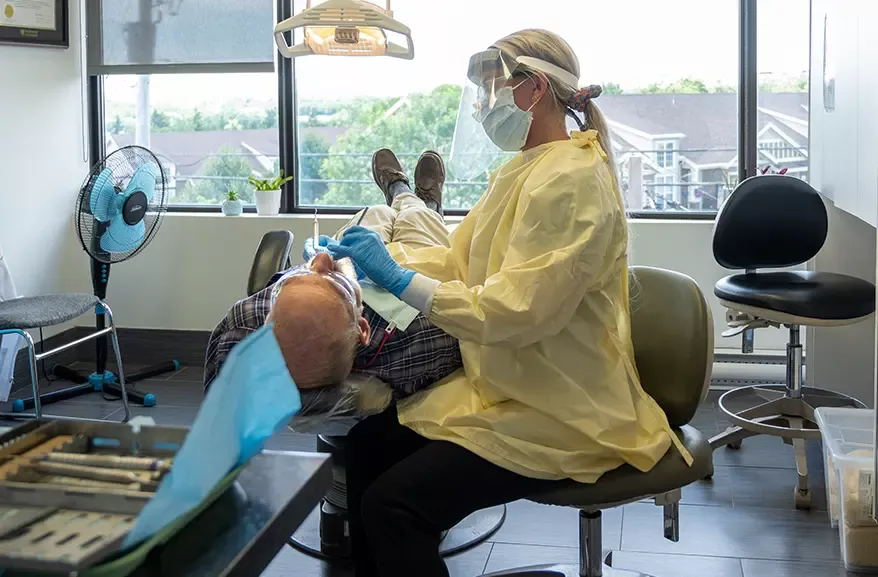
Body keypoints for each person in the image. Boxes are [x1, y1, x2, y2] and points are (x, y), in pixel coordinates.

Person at [320, 29, 694, 577]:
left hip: (562, 408)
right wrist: (366, 269)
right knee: (368, 447)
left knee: (395, 505)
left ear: (535, 88)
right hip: (508, 386)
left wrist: (399, 280)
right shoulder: (524, 170)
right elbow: (459, 264)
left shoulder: (572, 180)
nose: (482, 106)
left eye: (491, 89)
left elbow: (514, 311)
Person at [203, 151, 462, 401]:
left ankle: (398, 193)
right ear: (363, 328)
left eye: (298, 276)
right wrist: (398, 276)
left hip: (355, 259)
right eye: (334, 283)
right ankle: (422, 202)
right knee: (417, 218)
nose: (322, 259)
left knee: (376, 213)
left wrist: (333, 276)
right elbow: (461, 311)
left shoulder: (242, 325)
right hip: (417, 265)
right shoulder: (426, 336)